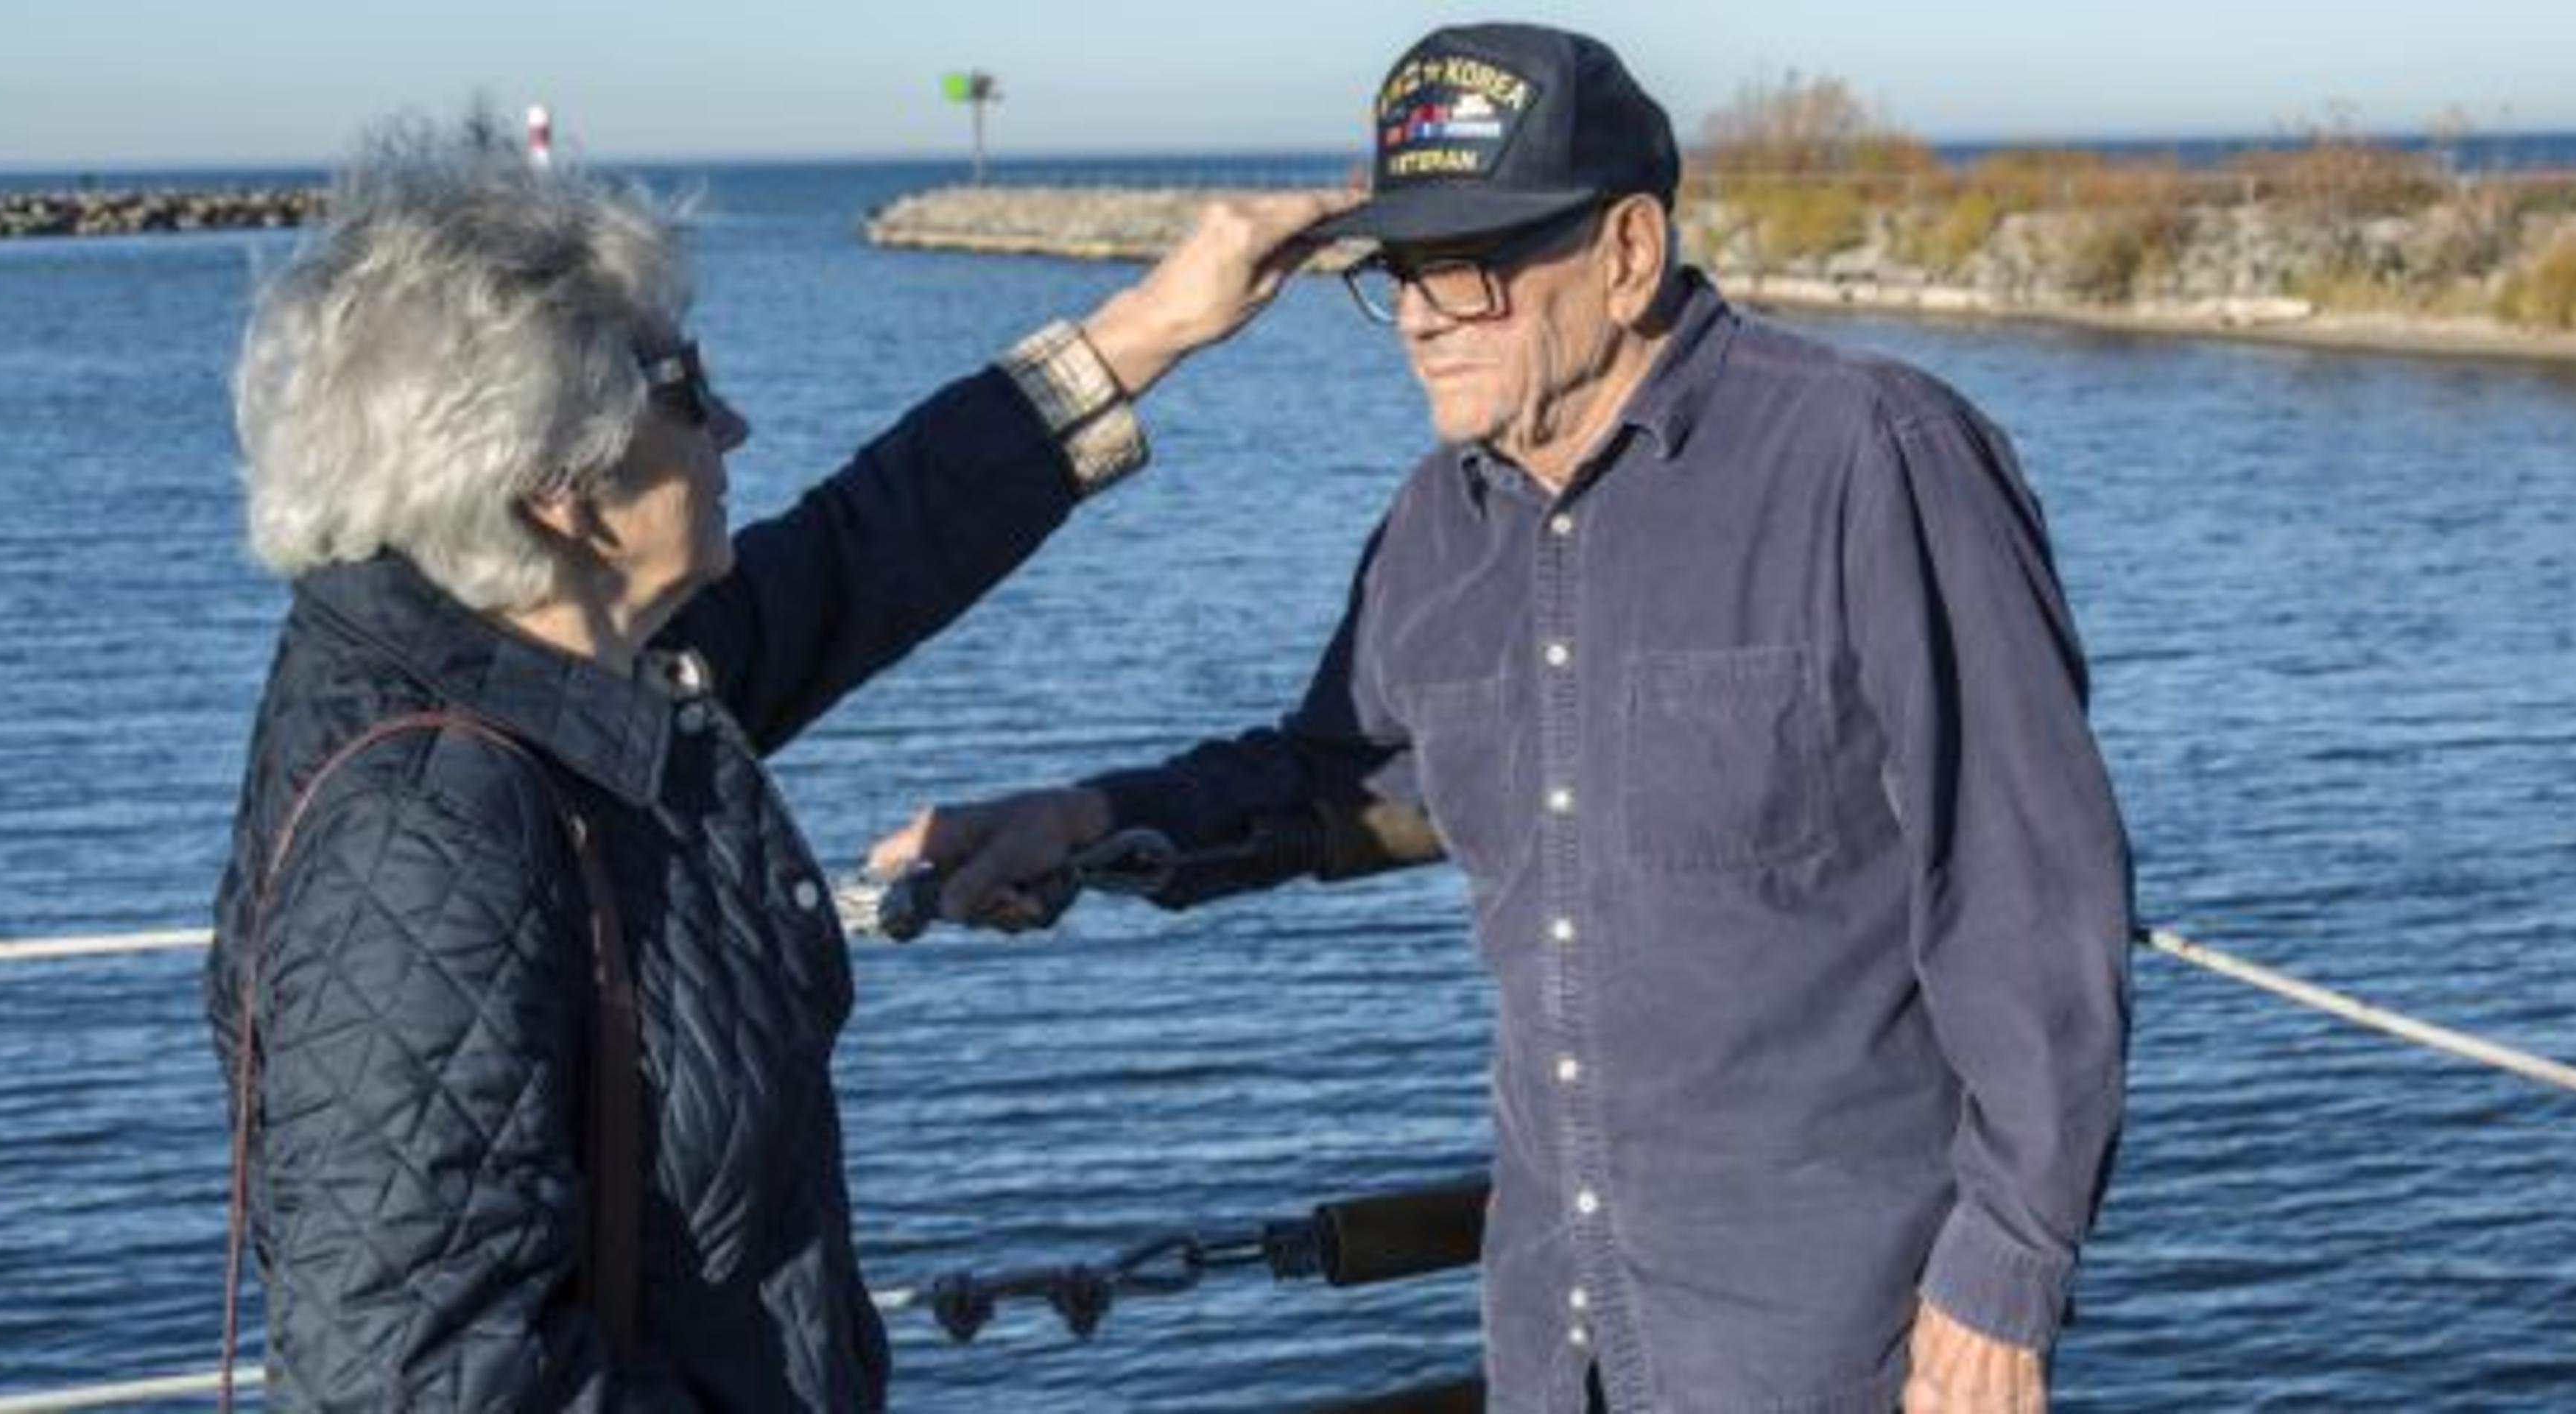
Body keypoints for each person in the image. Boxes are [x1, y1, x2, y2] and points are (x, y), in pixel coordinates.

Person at [869, 23, 2132, 1413]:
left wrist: (2003, 1278)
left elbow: (2027, 885)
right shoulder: (1437, 524)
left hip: (1838, 1333)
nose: (1415, 317)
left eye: (1464, 270)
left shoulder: (1872, 459)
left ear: (1629, 254)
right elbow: (1326, 773)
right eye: (1398, 273)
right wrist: (1092, 820)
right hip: (1559, 1330)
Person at [205, 117, 1351, 1409]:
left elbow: (864, 557)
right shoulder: (427, 836)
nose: (734, 426)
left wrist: (1148, 327)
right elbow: (412, 1382)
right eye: (685, 386)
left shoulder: (555, 672)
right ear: (559, 490)